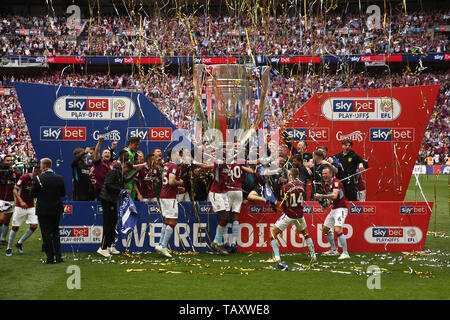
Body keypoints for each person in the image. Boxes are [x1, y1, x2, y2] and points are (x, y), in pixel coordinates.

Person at [270, 168, 317, 271]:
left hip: (289, 214)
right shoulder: (302, 186)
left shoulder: (285, 187)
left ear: (290, 175)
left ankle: (277, 257)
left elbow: (283, 202)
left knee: (272, 234)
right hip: (299, 214)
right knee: (306, 234)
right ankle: (313, 255)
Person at [97, 150, 135, 257]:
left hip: (113, 201)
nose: (127, 174)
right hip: (107, 200)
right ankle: (102, 248)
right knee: (108, 224)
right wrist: (122, 191)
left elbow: (120, 186)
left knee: (113, 224)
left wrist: (122, 190)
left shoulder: (120, 174)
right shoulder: (114, 171)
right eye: (127, 171)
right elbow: (108, 185)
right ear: (124, 167)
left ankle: (109, 246)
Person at [29, 158, 66, 264]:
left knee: (46, 233)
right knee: (55, 232)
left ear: (44, 166)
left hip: (43, 209)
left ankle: (50, 257)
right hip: (56, 208)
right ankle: (58, 256)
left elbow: (32, 194)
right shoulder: (59, 178)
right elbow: (62, 193)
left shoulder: (38, 178)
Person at [314, 165, 350, 260]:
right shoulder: (327, 184)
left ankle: (345, 253)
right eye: (323, 174)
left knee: (337, 230)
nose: (324, 175)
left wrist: (321, 196)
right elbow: (332, 198)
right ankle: (334, 250)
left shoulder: (336, 183)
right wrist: (328, 203)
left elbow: (334, 196)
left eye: (326, 173)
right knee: (325, 229)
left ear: (331, 174)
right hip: (334, 209)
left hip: (340, 209)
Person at [155, 148, 185, 258]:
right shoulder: (174, 166)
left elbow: (168, 182)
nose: (180, 156)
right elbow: (172, 181)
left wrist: (178, 188)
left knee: (167, 221)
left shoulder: (167, 165)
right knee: (173, 221)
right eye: (179, 154)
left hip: (164, 195)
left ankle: (160, 244)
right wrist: (180, 182)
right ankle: (163, 246)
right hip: (169, 197)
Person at [6, 166, 41, 256]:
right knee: (15, 227)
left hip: (31, 206)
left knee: (34, 226)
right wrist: (21, 201)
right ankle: (9, 248)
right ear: (36, 171)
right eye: (40, 172)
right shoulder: (25, 177)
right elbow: (15, 190)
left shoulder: (38, 179)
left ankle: (19, 243)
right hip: (20, 206)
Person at [0, 155, 20, 246]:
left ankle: (3, 239)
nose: (10, 162)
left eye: (11, 160)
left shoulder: (15, 172)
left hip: (10, 199)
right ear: (3, 161)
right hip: (1, 199)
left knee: (7, 221)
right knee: (1, 219)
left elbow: (19, 185)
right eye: (7, 160)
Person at [92, 136, 118, 200]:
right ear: (102, 155)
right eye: (105, 152)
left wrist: (113, 148)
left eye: (108, 153)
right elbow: (96, 152)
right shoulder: (98, 162)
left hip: (109, 191)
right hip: (99, 190)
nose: (107, 154)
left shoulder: (111, 164)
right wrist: (99, 142)